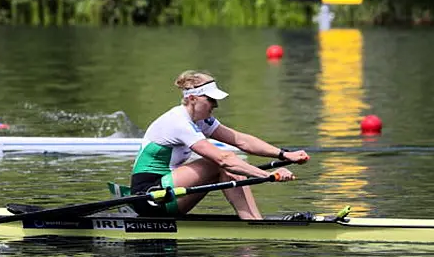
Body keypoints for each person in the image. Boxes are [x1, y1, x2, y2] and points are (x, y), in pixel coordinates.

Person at [130, 70, 310, 220]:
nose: (215, 105)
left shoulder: (201, 120)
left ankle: (255, 222)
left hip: (169, 194)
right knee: (221, 162)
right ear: (193, 98)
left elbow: (241, 140)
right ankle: (252, 223)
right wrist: (269, 176)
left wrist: (284, 154)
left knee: (233, 166)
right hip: (150, 197)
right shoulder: (178, 121)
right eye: (211, 100)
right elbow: (223, 159)